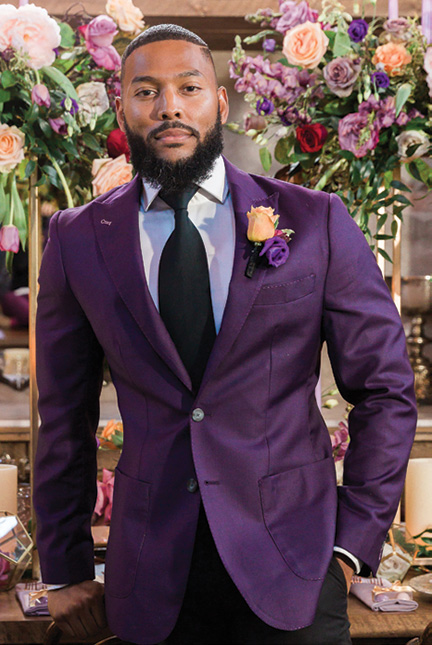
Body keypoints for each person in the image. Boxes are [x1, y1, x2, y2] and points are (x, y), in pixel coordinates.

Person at [33, 24, 417, 645]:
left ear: (221, 101)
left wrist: (352, 545)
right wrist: (65, 566)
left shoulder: (314, 220)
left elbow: (387, 390)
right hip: (148, 573)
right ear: (121, 105)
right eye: (146, 91)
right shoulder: (79, 238)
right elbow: (63, 412)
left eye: (189, 87)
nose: (170, 107)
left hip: (296, 566)